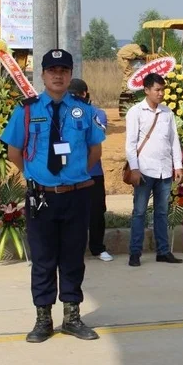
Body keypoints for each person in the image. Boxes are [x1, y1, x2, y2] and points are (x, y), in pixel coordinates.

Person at [0, 49, 106, 343]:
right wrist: (36, 176)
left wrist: (72, 176)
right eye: (52, 70)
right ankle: (43, 319)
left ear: (70, 74)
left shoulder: (84, 112)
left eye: (63, 70)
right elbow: (14, 152)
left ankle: (72, 316)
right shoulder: (27, 111)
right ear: (43, 74)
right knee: (44, 258)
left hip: (76, 196)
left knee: (73, 257)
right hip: (41, 198)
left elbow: (95, 149)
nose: (57, 75)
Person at [124, 72, 183, 267]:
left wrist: (178, 166)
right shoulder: (135, 112)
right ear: (146, 90)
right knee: (139, 212)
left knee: (161, 213)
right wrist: (134, 169)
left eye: (163, 89)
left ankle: (163, 252)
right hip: (144, 170)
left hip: (164, 171)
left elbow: (174, 140)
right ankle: (135, 253)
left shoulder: (167, 112)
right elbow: (130, 144)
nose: (161, 93)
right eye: (157, 90)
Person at [68, 78, 113, 262]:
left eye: (75, 95)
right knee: (72, 214)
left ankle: (98, 248)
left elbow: (95, 137)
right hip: (70, 174)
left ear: (84, 94)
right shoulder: (63, 112)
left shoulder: (98, 113)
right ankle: (72, 250)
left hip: (93, 172)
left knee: (96, 212)